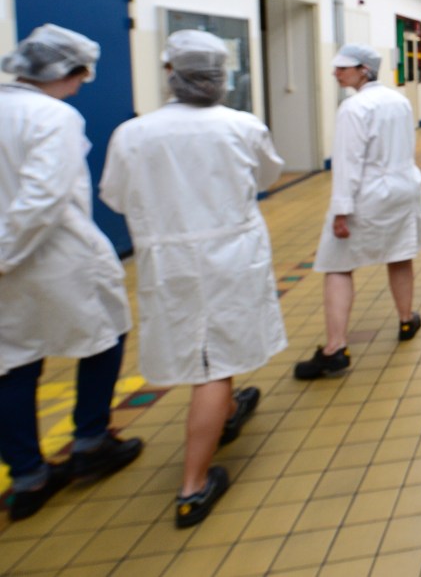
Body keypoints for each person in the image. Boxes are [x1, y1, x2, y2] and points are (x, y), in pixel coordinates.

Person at [99, 30, 287, 528]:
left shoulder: (134, 133)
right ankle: (193, 486)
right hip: (231, 254)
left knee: (201, 347)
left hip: (171, 259)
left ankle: (224, 414)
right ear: (222, 76)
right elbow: (267, 178)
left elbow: (114, 195)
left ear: (170, 73)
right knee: (215, 361)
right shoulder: (241, 126)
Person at [0, 25, 142, 522]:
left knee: (13, 364)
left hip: (9, 267)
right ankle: (90, 441)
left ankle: (28, 476)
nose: (82, 84)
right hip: (55, 256)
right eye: (81, 74)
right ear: (64, 71)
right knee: (104, 336)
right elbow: (43, 198)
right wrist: (5, 250)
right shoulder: (54, 116)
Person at [295, 44, 421, 380]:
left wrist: (342, 211)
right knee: (400, 253)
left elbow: (347, 163)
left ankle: (335, 348)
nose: (335, 73)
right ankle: (406, 319)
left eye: (342, 68)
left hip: (367, 195)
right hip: (402, 189)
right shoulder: (398, 100)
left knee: (337, 264)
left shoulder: (354, 108)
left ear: (364, 70)